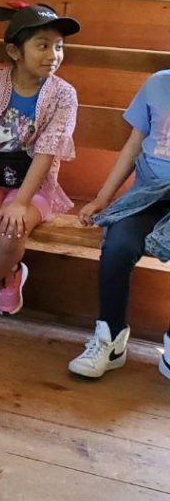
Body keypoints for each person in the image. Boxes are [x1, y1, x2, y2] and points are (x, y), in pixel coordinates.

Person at [0, 3, 79, 320]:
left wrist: (21, 202)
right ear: (14, 51)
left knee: (12, 227)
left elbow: (48, 151)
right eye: (43, 45)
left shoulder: (64, 95)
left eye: (59, 47)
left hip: (34, 186)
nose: (54, 55)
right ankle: (11, 271)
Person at [68, 71, 170, 378]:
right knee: (117, 246)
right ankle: (110, 340)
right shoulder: (157, 83)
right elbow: (133, 146)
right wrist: (102, 198)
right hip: (146, 196)